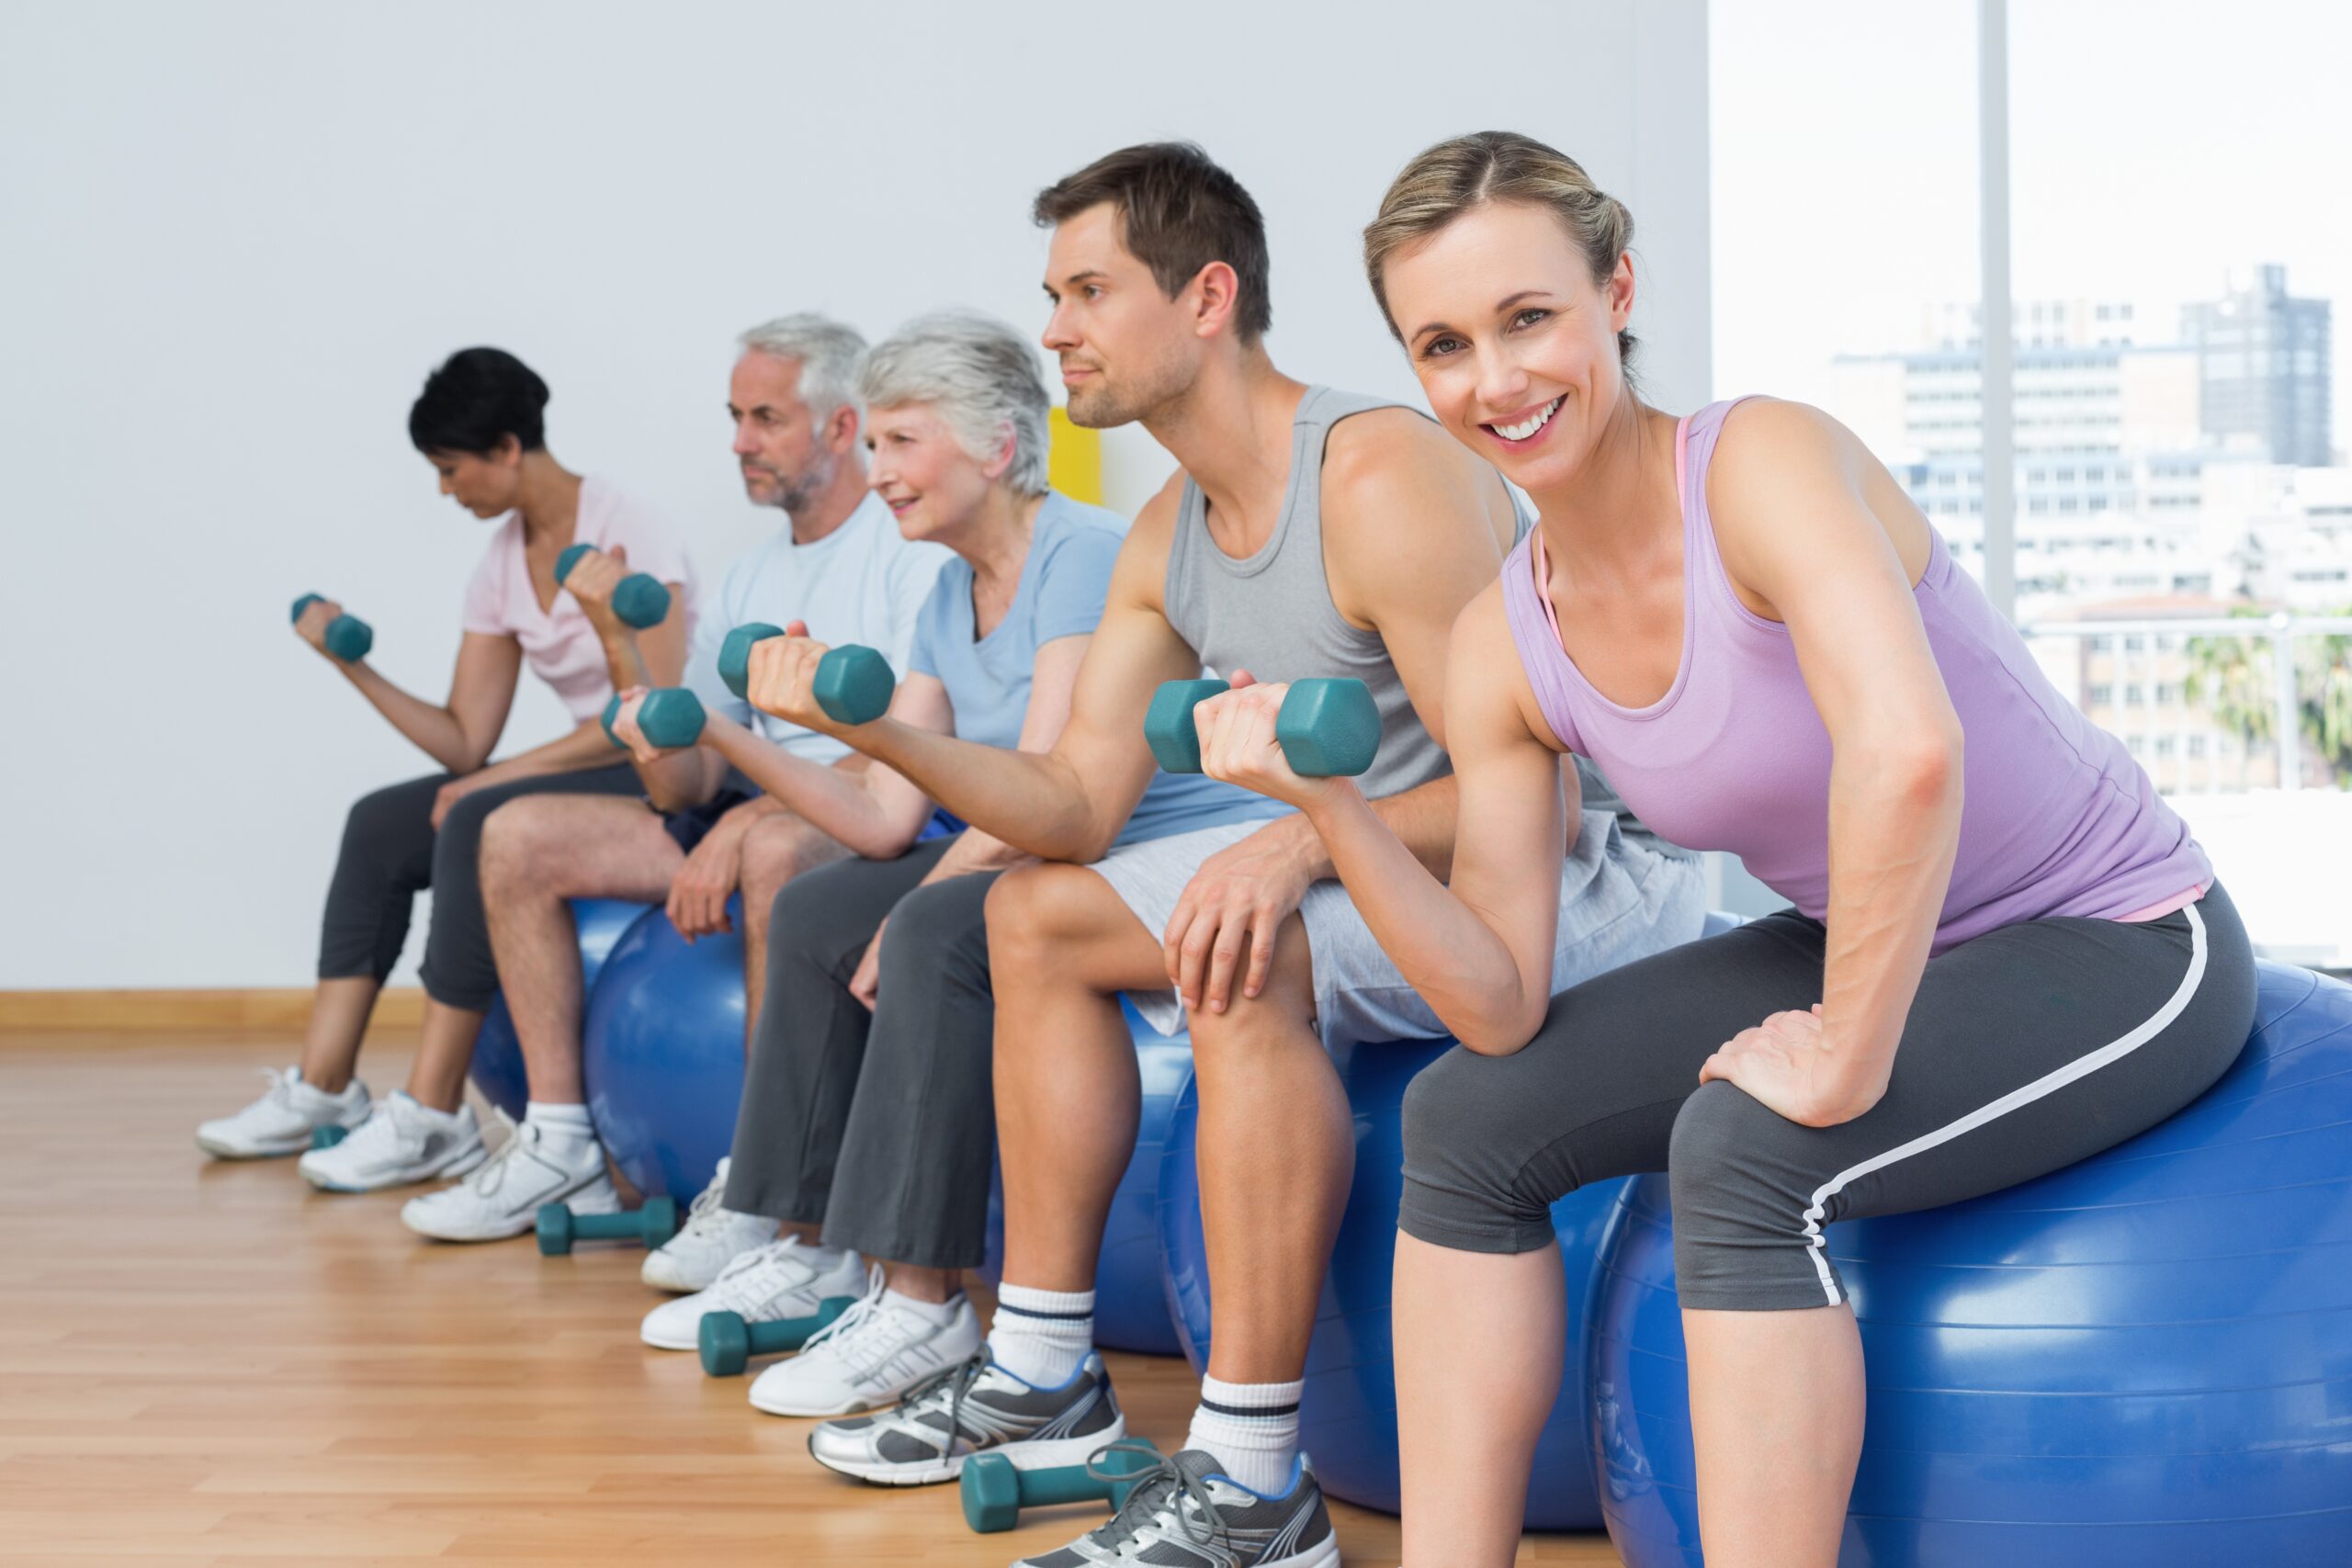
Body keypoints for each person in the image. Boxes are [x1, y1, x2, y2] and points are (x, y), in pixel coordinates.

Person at [1176, 130, 2254, 1568]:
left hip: (2113, 931)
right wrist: (1334, 812)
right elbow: (1494, 996)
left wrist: (1846, 1047)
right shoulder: (1510, 628)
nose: (1495, 380)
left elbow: (1906, 748)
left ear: (1616, 290)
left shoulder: (1759, 461)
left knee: (1745, 1144)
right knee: (1461, 1119)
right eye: (1443, 344)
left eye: (1528, 317)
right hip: (1862, 928)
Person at [737, 143, 1704, 1562]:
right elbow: (1070, 802)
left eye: (1085, 290)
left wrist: (1297, 846)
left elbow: (1536, 809)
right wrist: (871, 727)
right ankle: (1047, 1366)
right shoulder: (1164, 534)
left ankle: (1256, 1480)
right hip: (1362, 862)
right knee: (1033, 917)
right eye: (1052, 294)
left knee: (1239, 937)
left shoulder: (1376, 477)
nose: (1055, 328)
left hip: (1569, 888)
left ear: (1205, 296)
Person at [618, 310, 1286, 1420]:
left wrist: (920, 903)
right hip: (1061, 841)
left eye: (902, 443)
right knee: (827, 905)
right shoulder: (941, 595)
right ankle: (815, 1242)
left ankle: (923, 1299)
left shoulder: (1081, 556)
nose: (876, 474)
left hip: (1157, 846)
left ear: (999, 448)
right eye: (872, 445)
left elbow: (1048, 791)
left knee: (928, 928)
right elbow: (884, 814)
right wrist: (727, 730)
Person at [395, 316, 951, 1246]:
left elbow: (908, 753)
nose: (739, 441)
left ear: (843, 427)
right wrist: (617, 637)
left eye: (765, 417)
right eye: (734, 417)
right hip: (756, 811)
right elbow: (683, 783)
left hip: (869, 824)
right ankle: (563, 1145)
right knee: (513, 834)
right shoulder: (748, 578)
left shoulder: (911, 555)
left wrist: (747, 820)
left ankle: (766, 1195)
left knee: (772, 843)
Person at [196, 347, 693, 1190]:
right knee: (381, 821)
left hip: (658, 769)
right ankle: (324, 1085)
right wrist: (352, 666)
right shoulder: (502, 562)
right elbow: (466, 740)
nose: (444, 489)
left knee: (472, 815)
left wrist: (498, 780)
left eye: (450, 468)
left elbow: (658, 710)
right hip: (583, 757)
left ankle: (434, 1111)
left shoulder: (626, 527)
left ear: (506, 447)